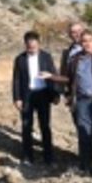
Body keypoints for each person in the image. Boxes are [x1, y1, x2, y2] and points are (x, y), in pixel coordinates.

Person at [44, 29, 92, 174]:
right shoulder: (75, 59)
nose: (87, 43)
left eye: (89, 40)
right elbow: (69, 79)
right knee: (83, 134)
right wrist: (51, 76)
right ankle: (85, 166)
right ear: (80, 43)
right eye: (84, 41)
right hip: (82, 102)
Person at [11, 31, 57, 165]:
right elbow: (16, 80)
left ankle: (48, 156)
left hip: (43, 94)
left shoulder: (46, 57)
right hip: (27, 95)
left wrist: (55, 94)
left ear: (39, 44)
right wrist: (17, 98)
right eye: (29, 47)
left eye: (34, 46)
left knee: (45, 126)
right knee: (26, 126)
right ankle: (27, 156)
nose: (32, 49)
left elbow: (53, 75)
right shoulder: (20, 59)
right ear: (25, 45)